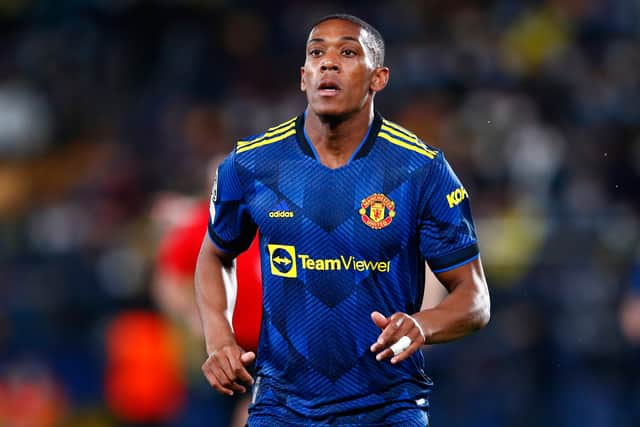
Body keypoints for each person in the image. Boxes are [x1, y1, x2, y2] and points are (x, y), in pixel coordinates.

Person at [195, 13, 490, 426]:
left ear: (379, 78)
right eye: (317, 53)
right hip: (281, 408)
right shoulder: (251, 164)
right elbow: (214, 255)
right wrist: (219, 339)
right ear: (303, 77)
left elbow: (474, 299)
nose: (328, 63)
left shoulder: (421, 171)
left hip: (388, 408)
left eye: (348, 52)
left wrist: (422, 325)